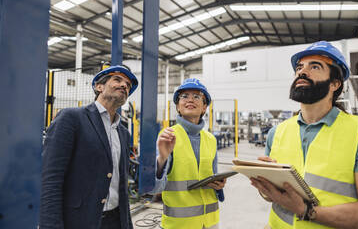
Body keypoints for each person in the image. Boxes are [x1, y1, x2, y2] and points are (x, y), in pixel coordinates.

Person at [250, 41, 358, 229]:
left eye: (315, 66)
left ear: (334, 84)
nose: (302, 72)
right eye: (299, 67)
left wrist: (306, 211)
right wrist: (265, 184)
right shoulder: (277, 133)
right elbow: (270, 197)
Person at [40, 65, 138, 229]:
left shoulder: (123, 133)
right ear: (99, 86)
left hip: (115, 221)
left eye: (128, 85)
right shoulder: (72, 118)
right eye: (117, 79)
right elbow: (50, 178)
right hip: (80, 221)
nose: (124, 86)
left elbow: (121, 186)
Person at [151, 78, 226, 229]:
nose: (190, 100)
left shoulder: (211, 139)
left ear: (204, 107)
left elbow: (215, 178)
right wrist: (162, 159)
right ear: (178, 107)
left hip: (210, 222)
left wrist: (219, 185)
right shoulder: (167, 137)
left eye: (197, 97)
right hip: (179, 225)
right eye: (184, 96)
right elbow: (155, 189)